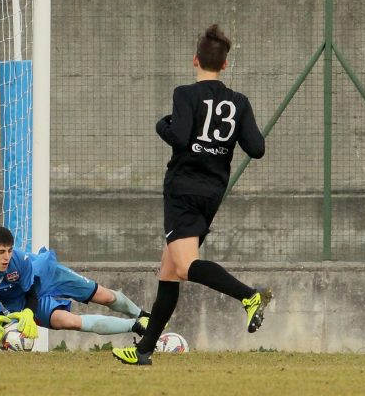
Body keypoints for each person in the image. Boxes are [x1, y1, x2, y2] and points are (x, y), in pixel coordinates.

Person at [112, 24, 272, 365]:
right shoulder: (239, 102)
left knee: (184, 266)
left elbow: (180, 138)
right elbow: (256, 148)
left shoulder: (185, 94)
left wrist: (161, 126)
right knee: (168, 271)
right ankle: (143, 351)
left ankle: (249, 296)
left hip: (183, 189)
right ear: (225, 65)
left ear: (195, 60)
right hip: (212, 193)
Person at [0, 226, 150, 346]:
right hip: (19, 302)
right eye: (1, 252)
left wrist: (29, 313)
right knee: (66, 321)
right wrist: (6, 332)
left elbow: (31, 291)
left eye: (9, 250)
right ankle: (138, 326)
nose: (7, 257)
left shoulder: (20, 259)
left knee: (106, 296)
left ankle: (144, 316)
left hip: (47, 274)